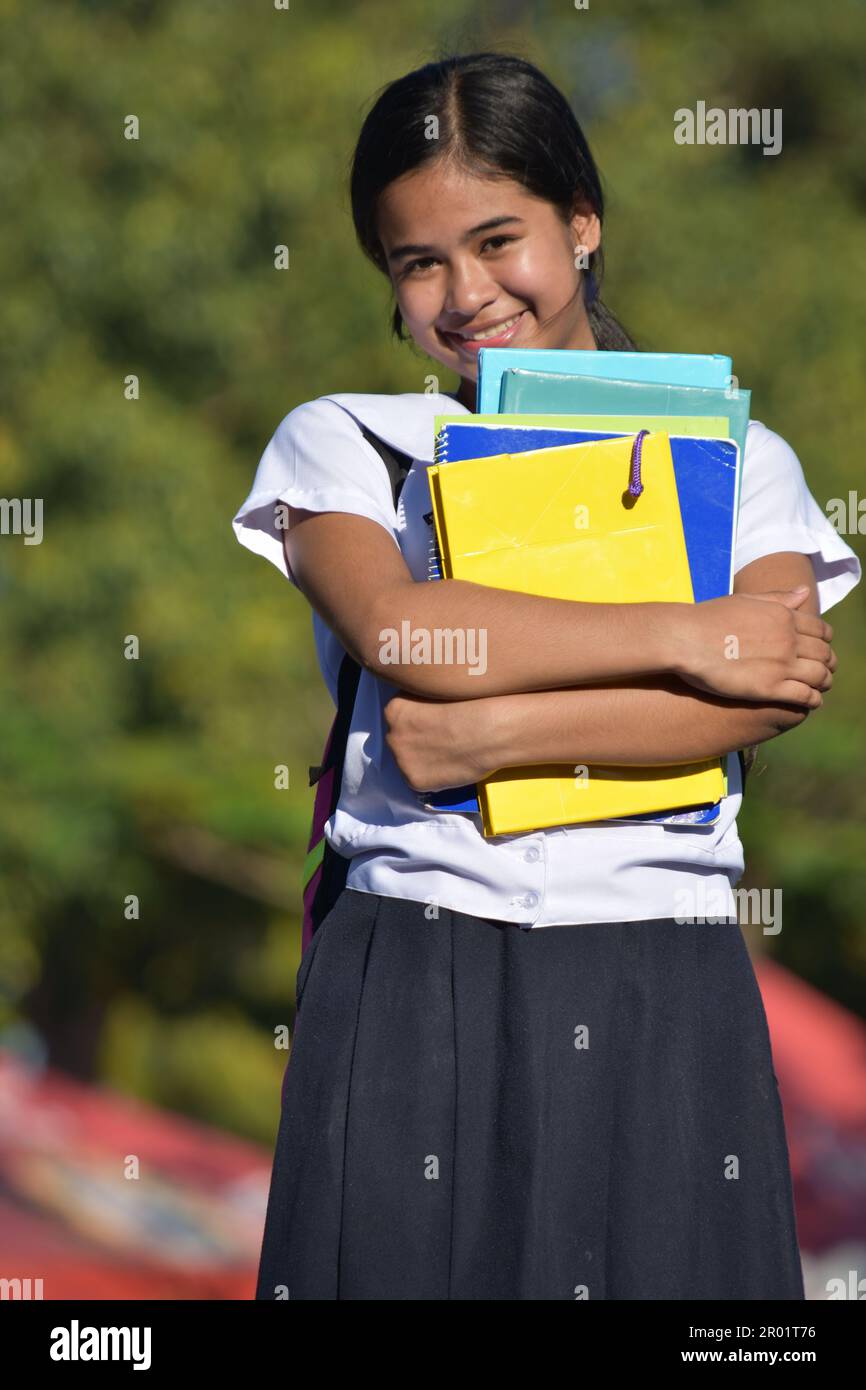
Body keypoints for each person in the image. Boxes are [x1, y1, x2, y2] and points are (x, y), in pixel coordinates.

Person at [232, 52, 861, 1300]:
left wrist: (482, 739)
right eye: (416, 263)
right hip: (414, 970)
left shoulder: (741, 456)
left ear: (580, 225)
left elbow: (770, 685)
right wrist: (684, 634)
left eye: (496, 238)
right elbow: (409, 637)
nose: (463, 293)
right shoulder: (345, 439)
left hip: (661, 982)